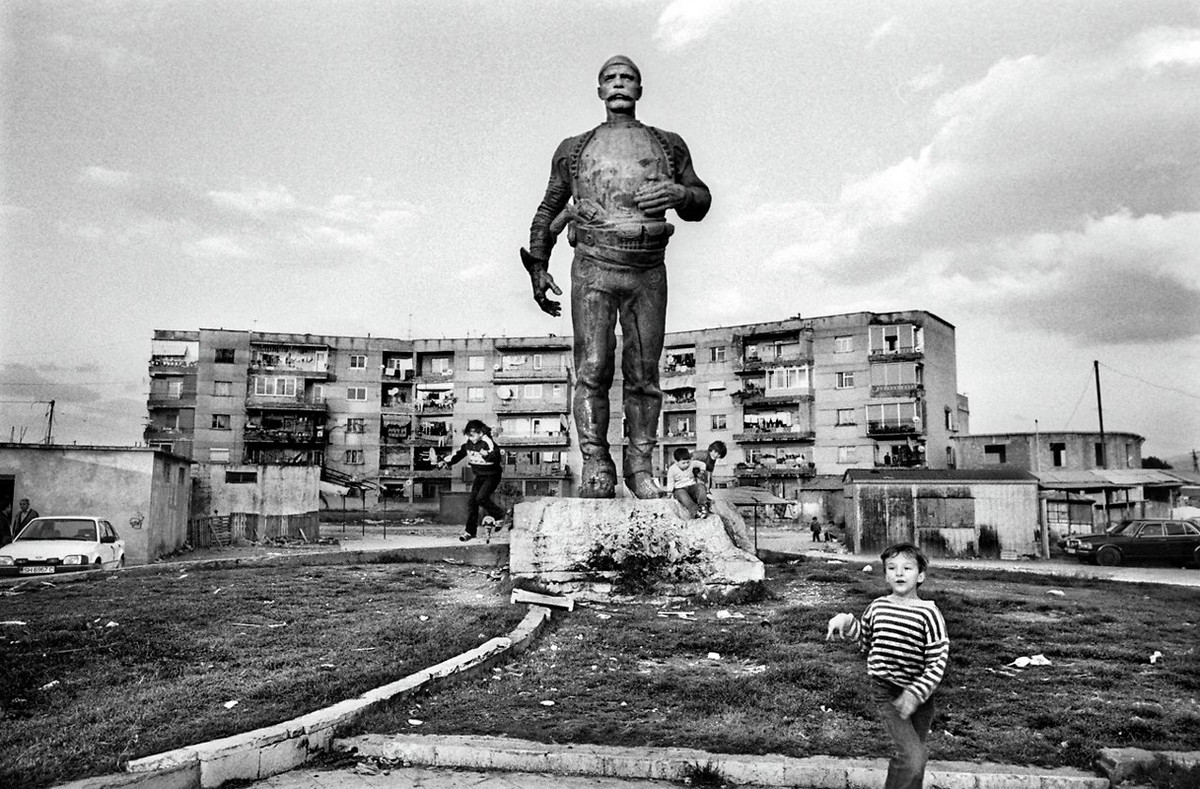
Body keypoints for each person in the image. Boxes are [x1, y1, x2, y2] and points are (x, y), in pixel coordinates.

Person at [522, 55, 711, 500]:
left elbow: (700, 200)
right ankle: (596, 464)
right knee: (593, 368)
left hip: (647, 267)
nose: (620, 84)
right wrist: (539, 266)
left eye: (628, 78)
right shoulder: (573, 148)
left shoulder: (668, 144)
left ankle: (640, 466)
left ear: (640, 90)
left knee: (645, 372)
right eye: (611, 78)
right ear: (600, 90)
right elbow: (549, 208)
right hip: (593, 266)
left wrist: (679, 193)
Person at [826, 543, 950, 789]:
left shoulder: (929, 613)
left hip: (920, 697)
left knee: (913, 759)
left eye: (907, 568)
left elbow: (938, 660)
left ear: (921, 575)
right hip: (887, 692)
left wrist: (916, 693)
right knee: (914, 758)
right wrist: (846, 621)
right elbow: (866, 639)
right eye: (892, 568)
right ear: (885, 575)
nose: (899, 573)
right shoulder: (878, 607)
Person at [438, 420, 505, 542]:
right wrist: (446, 462)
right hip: (480, 476)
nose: (471, 438)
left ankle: (499, 514)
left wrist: (486, 455)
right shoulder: (469, 444)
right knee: (472, 503)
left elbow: (496, 457)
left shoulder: (487, 442)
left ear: (480, 433)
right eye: (468, 436)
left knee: (481, 498)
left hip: (492, 475)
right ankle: (470, 532)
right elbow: (458, 454)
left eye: (473, 436)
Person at [665, 447, 709, 519]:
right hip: (679, 489)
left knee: (700, 487)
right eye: (683, 463)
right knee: (684, 498)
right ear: (676, 462)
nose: (686, 465)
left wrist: (702, 471)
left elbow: (702, 464)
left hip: (691, 486)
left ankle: (703, 506)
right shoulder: (672, 469)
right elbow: (670, 481)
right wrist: (669, 491)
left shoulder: (692, 463)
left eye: (687, 462)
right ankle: (695, 512)